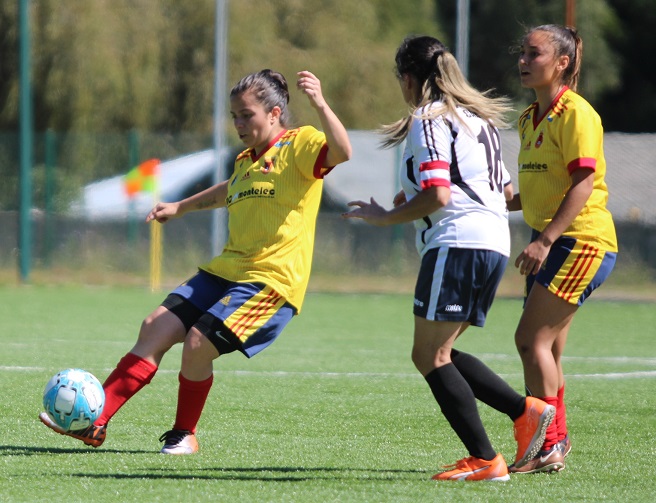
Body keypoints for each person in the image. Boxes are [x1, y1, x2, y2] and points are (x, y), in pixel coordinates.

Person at [39, 68, 352, 454]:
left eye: (247, 115)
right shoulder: (246, 160)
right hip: (226, 271)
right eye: (234, 116)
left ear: (274, 113)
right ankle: (94, 422)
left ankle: (184, 434)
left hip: (270, 281)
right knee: (155, 326)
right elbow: (228, 190)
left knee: (198, 342)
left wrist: (319, 103)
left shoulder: (300, 144)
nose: (238, 124)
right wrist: (180, 207)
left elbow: (342, 152)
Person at [343, 35, 555, 482]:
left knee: (428, 355)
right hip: (492, 244)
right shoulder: (478, 119)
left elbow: (439, 193)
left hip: (457, 242)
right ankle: (526, 411)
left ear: (408, 79)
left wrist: (386, 218)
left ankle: (486, 458)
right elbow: (505, 195)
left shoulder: (428, 118)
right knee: (439, 351)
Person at [507, 25, 618, 474]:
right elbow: (534, 192)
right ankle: (556, 440)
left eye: (533, 54)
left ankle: (548, 446)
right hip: (555, 242)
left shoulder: (576, 113)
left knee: (529, 341)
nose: (523, 60)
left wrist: (544, 239)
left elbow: (583, 183)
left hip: (581, 241)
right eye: (522, 52)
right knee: (547, 349)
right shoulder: (527, 118)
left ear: (563, 62)